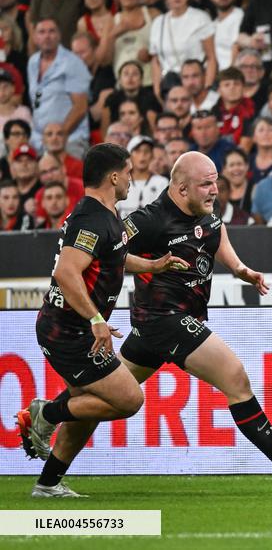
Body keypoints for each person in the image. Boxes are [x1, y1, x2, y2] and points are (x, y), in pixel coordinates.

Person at [115, 151, 272, 489]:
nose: (215, 189)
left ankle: (44, 419)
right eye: (206, 183)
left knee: (106, 391)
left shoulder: (205, 212)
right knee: (234, 377)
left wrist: (240, 269)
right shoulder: (150, 219)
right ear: (182, 188)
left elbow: (215, 236)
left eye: (215, 181)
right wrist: (151, 267)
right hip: (166, 320)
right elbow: (107, 252)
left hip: (157, 329)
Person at [14, 143, 185, 497]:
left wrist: (152, 265)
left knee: (88, 410)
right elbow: (66, 272)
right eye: (128, 172)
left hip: (75, 329)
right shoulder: (91, 218)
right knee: (129, 400)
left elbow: (114, 256)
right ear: (113, 176)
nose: (131, 180)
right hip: (69, 331)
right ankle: (44, 415)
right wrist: (95, 319)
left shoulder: (106, 215)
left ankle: (47, 485)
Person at [28, 20, 92, 158]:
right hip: (39, 140)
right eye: (42, 32)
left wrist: (58, 137)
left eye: (52, 31)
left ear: (59, 36)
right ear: (35, 37)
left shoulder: (73, 63)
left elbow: (80, 107)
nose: (47, 36)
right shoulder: (32, 62)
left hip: (71, 140)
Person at [117, 135, 168, 218]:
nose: (142, 155)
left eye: (146, 151)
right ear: (130, 155)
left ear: (152, 155)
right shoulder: (120, 182)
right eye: (137, 151)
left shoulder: (162, 182)